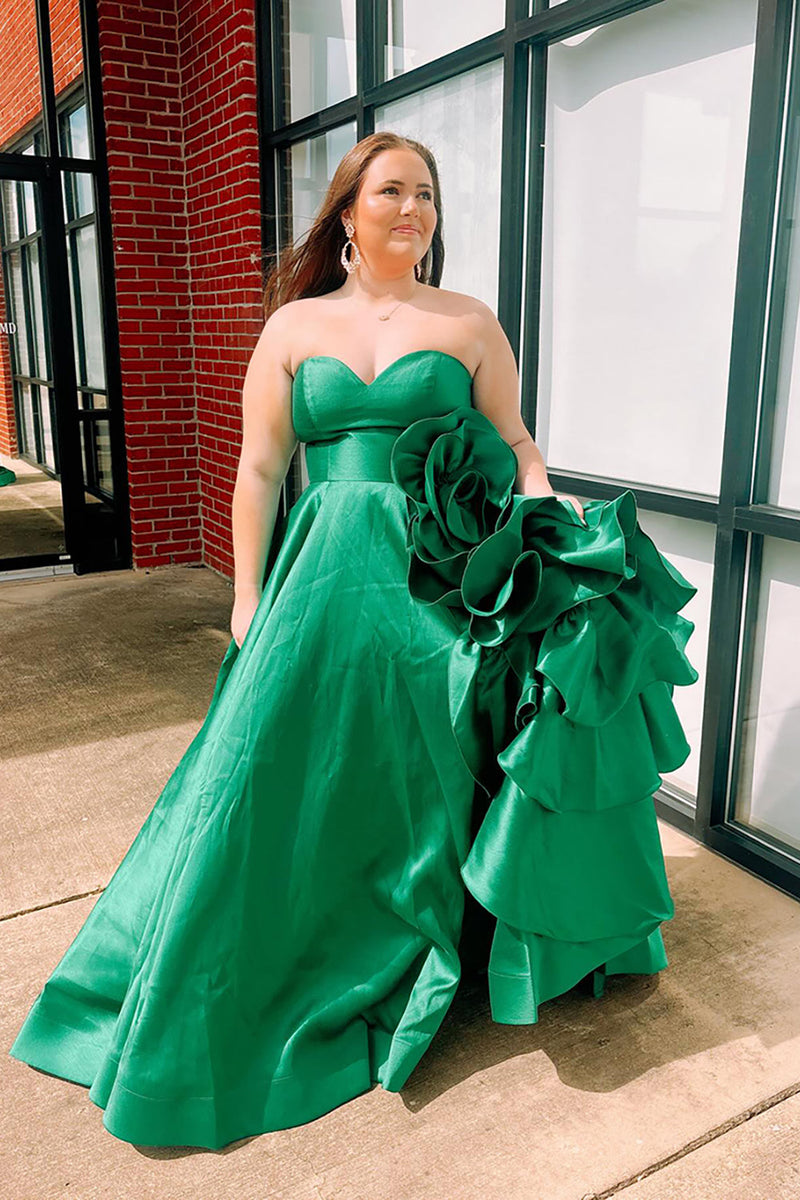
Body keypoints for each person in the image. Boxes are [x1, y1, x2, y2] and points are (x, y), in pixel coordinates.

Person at [8, 131, 699, 1151]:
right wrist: (245, 599)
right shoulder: (292, 326)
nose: (413, 210)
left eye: (426, 194)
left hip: (439, 579)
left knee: (428, 773)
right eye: (391, 192)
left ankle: (431, 937)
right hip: (320, 579)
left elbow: (512, 444)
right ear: (346, 212)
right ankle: (282, 955)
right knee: (274, 775)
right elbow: (256, 468)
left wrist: (545, 534)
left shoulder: (466, 321)